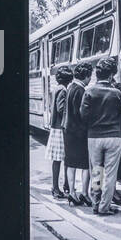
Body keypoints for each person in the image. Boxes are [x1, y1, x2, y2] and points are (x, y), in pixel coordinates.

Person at [81, 56, 121, 216]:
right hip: (114, 136)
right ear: (111, 75)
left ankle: (95, 203)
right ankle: (104, 207)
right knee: (110, 174)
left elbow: (83, 115)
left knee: (97, 171)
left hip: (93, 137)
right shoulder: (117, 93)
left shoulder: (89, 92)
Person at [63, 62, 93, 206]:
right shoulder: (81, 90)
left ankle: (72, 193)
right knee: (86, 164)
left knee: (71, 163)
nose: (90, 79)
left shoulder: (69, 88)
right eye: (90, 76)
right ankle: (85, 193)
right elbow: (82, 113)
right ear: (86, 76)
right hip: (80, 132)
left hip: (68, 131)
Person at [46, 66, 72, 199]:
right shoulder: (63, 90)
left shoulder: (56, 88)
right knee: (62, 159)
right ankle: (57, 188)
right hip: (60, 128)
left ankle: (57, 187)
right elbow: (61, 108)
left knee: (57, 160)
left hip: (55, 127)